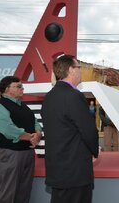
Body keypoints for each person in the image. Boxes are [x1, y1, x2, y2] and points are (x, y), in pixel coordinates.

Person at [41, 55, 99, 203]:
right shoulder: (74, 96)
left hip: (58, 169)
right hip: (74, 170)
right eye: (79, 67)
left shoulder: (49, 97)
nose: (81, 71)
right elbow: (88, 130)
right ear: (71, 70)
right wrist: (94, 151)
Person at [0, 76, 42, 203]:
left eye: (22, 86)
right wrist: (31, 137)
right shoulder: (1, 105)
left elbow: (35, 122)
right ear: (7, 89)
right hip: (10, 154)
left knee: (24, 191)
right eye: (18, 86)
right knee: (8, 193)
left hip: (27, 153)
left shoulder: (23, 106)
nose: (22, 88)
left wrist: (38, 134)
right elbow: (7, 129)